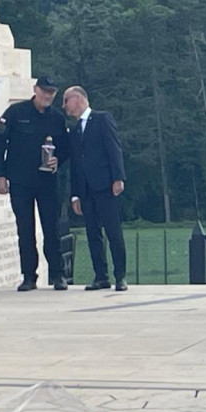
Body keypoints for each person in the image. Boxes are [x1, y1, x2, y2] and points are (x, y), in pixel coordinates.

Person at [0, 76, 70, 291]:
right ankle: (28, 276)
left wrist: (58, 160)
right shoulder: (15, 113)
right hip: (20, 181)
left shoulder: (57, 118)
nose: (47, 96)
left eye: (52, 93)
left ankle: (58, 274)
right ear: (35, 89)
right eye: (44, 91)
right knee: (25, 229)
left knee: (51, 229)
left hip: (47, 182)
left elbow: (65, 148)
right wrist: (0, 174)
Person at [62, 86, 128, 292]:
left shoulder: (101, 119)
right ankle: (101, 275)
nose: (64, 106)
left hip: (105, 185)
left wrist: (118, 177)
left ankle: (120, 276)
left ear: (77, 99)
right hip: (85, 189)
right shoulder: (74, 130)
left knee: (113, 231)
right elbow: (75, 163)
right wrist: (75, 194)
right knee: (92, 233)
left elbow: (113, 148)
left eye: (66, 101)